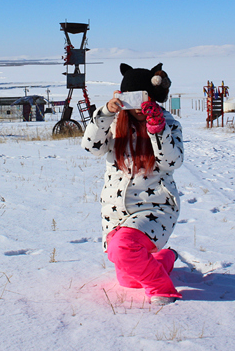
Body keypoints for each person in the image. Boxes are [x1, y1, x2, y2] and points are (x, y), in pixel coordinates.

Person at [82, 63, 184, 305]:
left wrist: (157, 129)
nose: (138, 105)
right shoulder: (115, 124)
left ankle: (162, 288)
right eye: (131, 98)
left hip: (155, 207)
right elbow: (90, 146)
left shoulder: (168, 123)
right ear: (122, 98)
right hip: (116, 212)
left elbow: (173, 161)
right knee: (128, 280)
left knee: (124, 248)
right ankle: (164, 259)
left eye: (143, 98)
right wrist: (105, 112)